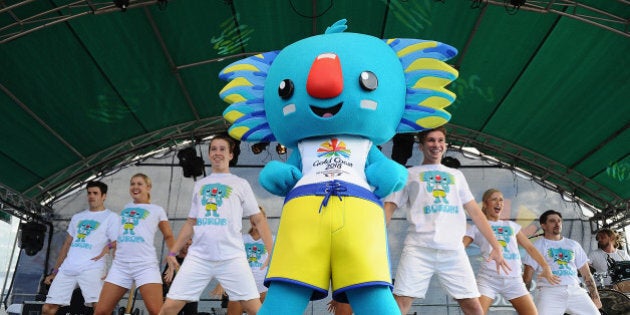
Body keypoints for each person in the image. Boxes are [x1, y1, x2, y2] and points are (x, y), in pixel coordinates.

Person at [384, 126, 510, 315]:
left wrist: (497, 246)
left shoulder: (456, 176)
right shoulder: (409, 174)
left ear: (446, 145)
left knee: (474, 307)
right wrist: (374, 240)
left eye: (440, 140)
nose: (436, 144)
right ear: (421, 146)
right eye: (431, 140)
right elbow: (390, 207)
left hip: (453, 251)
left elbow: (476, 213)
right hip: (418, 248)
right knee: (400, 303)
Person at [159, 134, 274, 315]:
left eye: (222, 149)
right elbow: (191, 222)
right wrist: (173, 252)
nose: (217, 152)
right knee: (168, 308)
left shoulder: (240, 184)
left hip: (231, 257)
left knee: (255, 310)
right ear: (209, 154)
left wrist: (271, 250)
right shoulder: (200, 186)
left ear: (230, 154)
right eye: (213, 149)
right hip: (199, 257)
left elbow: (259, 219)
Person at [463, 188, 560, 314]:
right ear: (486, 204)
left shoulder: (511, 226)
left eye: (501, 200)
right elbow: (460, 248)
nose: (499, 202)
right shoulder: (477, 228)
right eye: (494, 199)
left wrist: (546, 267)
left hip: (514, 280)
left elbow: (530, 248)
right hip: (488, 279)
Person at [94, 173, 175, 315]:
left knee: (157, 312)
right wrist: (110, 261)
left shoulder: (157, 210)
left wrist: (172, 255)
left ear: (148, 187)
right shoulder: (125, 208)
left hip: (145, 265)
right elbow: (120, 237)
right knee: (100, 311)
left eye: (139, 184)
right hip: (121, 266)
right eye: (132, 184)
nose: (135, 187)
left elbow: (168, 235)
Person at [42, 181, 119, 315]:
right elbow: (67, 245)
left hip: (93, 268)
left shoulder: (111, 217)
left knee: (100, 308)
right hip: (68, 268)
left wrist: (113, 270)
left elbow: (117, 244)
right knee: (48, 308)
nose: (91, 196)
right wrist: (55, 271)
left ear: (104, 196)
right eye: (89, 193)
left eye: (95, 193)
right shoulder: (78, 217)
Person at [522, 209, 602, 314]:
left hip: (575, 290)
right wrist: (524, 301)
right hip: (549, 292)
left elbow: (586, 273)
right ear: (543, 225)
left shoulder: (573, 244)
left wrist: (595, 297)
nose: (557, 223)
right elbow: (528, 275)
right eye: (552, 221)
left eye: (559, 221)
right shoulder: (537, 245)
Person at [211, 206, 274, 315]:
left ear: (265, 218)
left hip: (264, 288)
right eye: (252, 217)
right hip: (241, 287)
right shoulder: (241, 239)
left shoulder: (273, 239)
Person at [162, 239, 196, 315]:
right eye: (186, 244)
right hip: (174, 297)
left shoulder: (194, 262)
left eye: (190, 245)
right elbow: (165, 279)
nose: (188, 246)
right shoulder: (172, 261)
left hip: (190, 298)